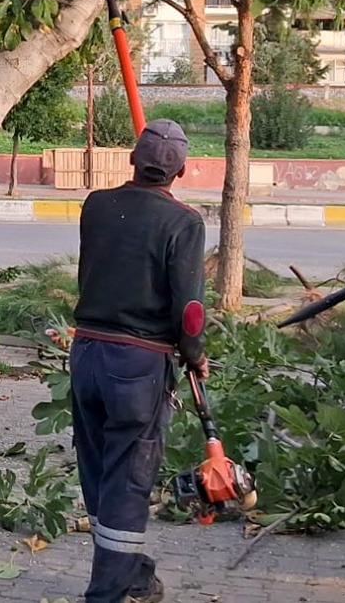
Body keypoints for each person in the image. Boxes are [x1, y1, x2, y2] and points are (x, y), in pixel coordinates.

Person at [71, 119, 207, 603]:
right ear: (183, 170)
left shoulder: (97, 206)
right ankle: (106, 594)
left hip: (86, 353)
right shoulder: (184, 223)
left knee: (100, 471)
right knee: (129, 479)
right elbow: (189, 312)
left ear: (131, 158)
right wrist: (195, 356)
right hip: (138, 364)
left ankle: (132, 576)